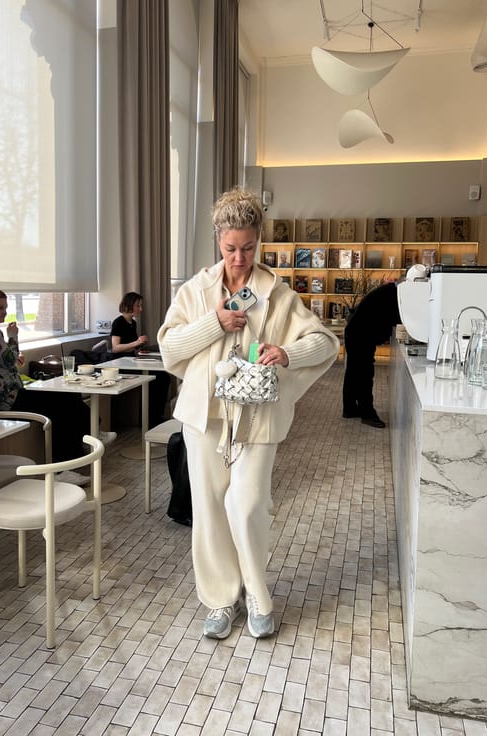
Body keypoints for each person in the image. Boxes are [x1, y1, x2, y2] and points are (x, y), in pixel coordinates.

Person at [157, 188, 339, 640]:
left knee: (249, 504)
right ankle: (221, 598)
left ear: (259, 241)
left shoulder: (275, 294)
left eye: (249, 248)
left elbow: (325, 343)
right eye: (230, 248)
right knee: (210, 511)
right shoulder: (195, 292)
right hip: (204, 420)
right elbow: (168, 349)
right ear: (218, 240)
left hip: (257, 419)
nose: (240, 258)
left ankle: (257, 593)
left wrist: (287, 352)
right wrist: (213, 323)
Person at [0, 289, 116, 476]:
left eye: (6, 307)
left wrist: (12, 354)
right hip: (7, 399)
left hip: (10, 393)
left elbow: (3, 360)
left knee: (63, 399)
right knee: (60, 404)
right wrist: (13, 336)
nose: (4, 312)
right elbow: (9, 360)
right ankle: (81, 445)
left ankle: (85, 440)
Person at [342, 281, 401, 428]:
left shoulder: (390, 291)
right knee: (364, 373)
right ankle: (367, 413)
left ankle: (349, 409)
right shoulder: (395, 296)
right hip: (361, 334)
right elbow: (396, 318)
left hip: (356, 330)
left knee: (354, 371)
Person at [110, 292, 171, 426]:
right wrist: (136, 343)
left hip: (131, 359)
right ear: (130, 306)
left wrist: (140, 348)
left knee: (164, 377)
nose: (141, 309)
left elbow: (132, 346)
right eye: (138, 306)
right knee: (158, 378)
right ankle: (149, 419)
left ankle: (155, 415)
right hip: (121, 363)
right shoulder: (118, 322)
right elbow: (115, 348)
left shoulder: (132, 323)